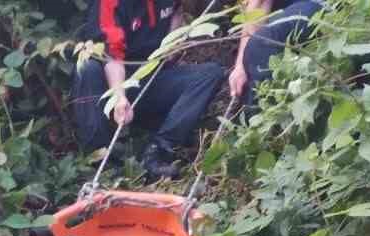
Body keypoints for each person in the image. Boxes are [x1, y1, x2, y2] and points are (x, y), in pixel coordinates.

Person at [72, 0, 225, 179]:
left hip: (152, 77)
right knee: (86, 69)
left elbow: (177, 10)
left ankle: (158, 152)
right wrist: (119, 97)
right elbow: (112, 57)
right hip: (113, 82)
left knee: (209, 74)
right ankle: (102, 163)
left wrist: (172, 42)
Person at [228, 0, 324, 107]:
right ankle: (255, 109)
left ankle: (260, 111)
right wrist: (241, 65)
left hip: (320, 5)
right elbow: (259, 7)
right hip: (292, 10)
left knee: (262, 42)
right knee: (254, 53)